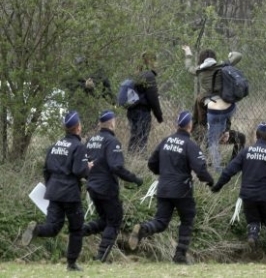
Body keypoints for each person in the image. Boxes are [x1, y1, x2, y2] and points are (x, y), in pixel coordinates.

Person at [128, 111, 214, 264]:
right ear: (190, 125)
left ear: (177, 125)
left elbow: (151, 163)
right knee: (187, 220)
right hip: (182, 190)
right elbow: (201, 170)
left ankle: (143, 229)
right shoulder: (190, 145)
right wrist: (210, 181)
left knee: (161, 221)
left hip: (164, 187)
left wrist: (165, 173)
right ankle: (180, 256)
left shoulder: (165, 141)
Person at [211, 122, 266, 263]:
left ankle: (253, 235)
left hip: (248, 195)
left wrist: (218, 186)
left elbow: (229, 170)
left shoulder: (245, 152)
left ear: (256, 135)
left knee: (253, 220)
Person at [21, 111, 91, 272]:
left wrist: (51, 186)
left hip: (53, 191)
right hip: (70, 194)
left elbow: (46, 170)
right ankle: (71, 264)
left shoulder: (53, 146)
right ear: (78, 128)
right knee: (76, 229)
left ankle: (36, 229)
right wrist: (88, 169)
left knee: (53, 227)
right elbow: (79, 170)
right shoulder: (78, 147)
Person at [82, 110, 144, 262]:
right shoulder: (112, 142)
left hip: (92, 187)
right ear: (111, 123)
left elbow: (83, 164)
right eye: (114, 120)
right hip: (106, 188)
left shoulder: (90, 140)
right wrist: (135, 179)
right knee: (115, 221)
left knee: (105, 220)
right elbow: (116, 167)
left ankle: (79, 230)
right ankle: (100, 258)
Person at [182, 46, 242, 174]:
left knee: (211, 138)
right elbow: (238, 56)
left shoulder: (200, 72)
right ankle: (230, 166)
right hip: (217, 123)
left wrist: (188, 53)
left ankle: (212, 166)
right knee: (238, 138)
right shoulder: (222, 66)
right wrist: (230, 53)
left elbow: (188, 68)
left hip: (208, 127)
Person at [191, 94, 247, 164]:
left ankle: (233, 164)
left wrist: (226, 132)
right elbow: (202, 121)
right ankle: (207, 161)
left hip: (219, 132)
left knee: (241, 138)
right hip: (202, 130)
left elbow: (227, 121)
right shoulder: (203, 99)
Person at [127, 51, 164, 154]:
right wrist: (159, 116)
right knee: (142, 138)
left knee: (134, 136)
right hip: (142, 111)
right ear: (150, 61)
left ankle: (130, 158)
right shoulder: (149, 76)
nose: (157, 64)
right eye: (156, 61)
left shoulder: (135, 75)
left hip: (131, 111)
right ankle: (141, 161)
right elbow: (153, 99)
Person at [65, 56, 115, 131]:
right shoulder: (72, 72)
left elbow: (106, 88)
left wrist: (114, 102)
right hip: (76, 107)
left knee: (91, 129)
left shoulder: (97, 69)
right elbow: (68, 84)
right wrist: (84, 85)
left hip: (91, 108)